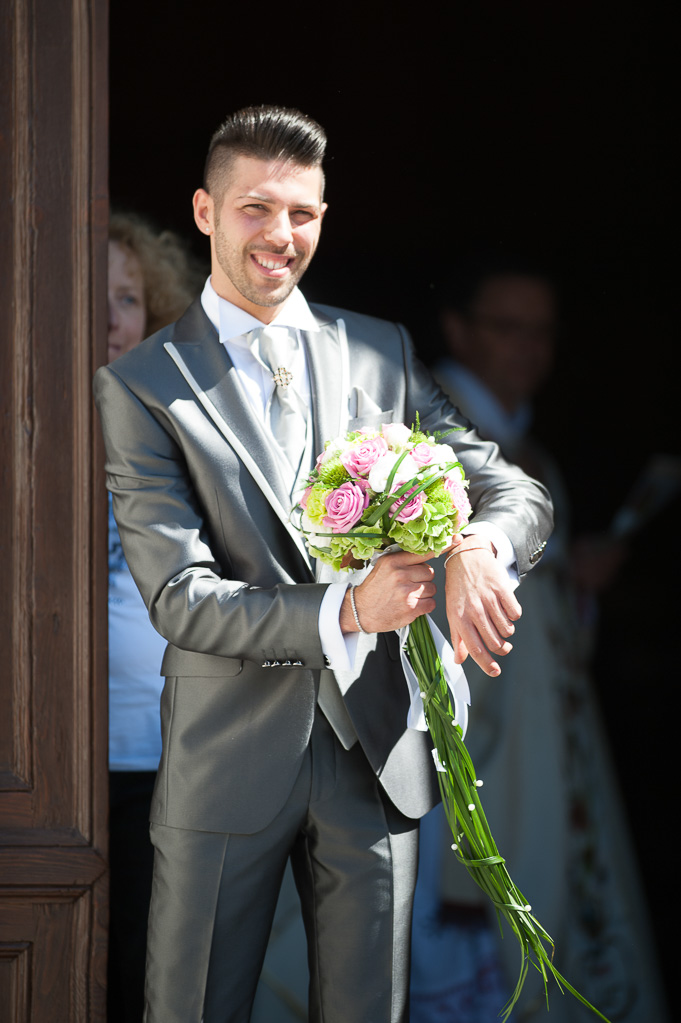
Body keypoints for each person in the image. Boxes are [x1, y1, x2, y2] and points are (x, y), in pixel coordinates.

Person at [94, 106, 553, 1023]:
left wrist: (474, 544)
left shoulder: (376, 349)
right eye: (255, 208)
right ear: (203, 211)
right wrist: (347, 608)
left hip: (373, 752)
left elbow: (510, 488)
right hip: (224, 760)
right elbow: (182, 598)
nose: (280, 235)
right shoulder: (143, 382)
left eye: (301, 213)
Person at [410, 263, 669, 1022]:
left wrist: (569, 588)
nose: (528, 347)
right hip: (472, 741)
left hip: (537, 740)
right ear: (457, 329)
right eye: (507, 327)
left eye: (541, 331)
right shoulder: (436, 435)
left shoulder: (527, 448)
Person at [107, 212, 203, 1022]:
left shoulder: (174, 435)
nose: (110, 318)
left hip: (162, 764)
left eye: (128, 297)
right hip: (39, 773)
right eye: (91, 296)